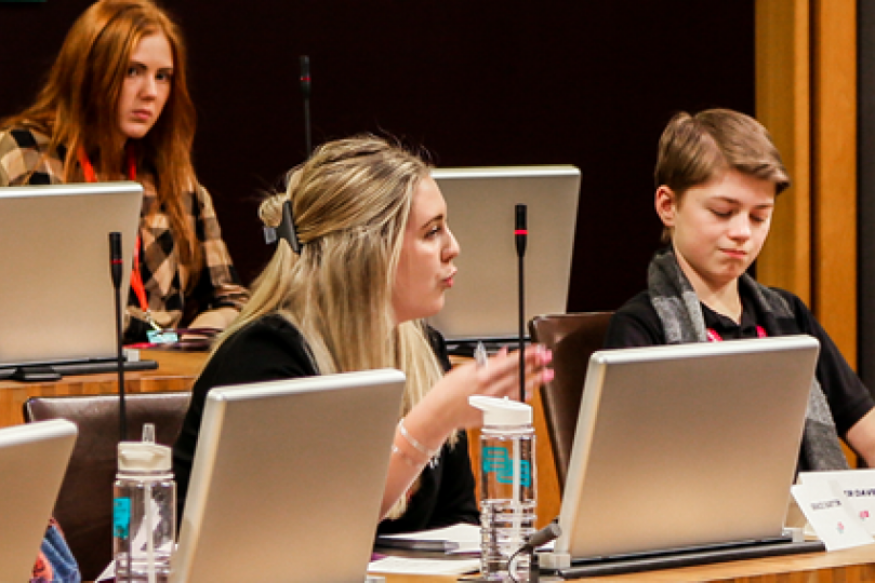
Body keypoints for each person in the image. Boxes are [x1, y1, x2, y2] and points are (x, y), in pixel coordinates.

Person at [172, 135, 553, 532]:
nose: (453, 247)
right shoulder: (263, 359)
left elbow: (457, 521)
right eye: (431, 232)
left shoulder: (424, 348)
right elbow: (308, 535)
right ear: (368, 252)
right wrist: (430, 422)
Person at [604, 108, 875, 471]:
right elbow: (627, 470)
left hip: (802, 508)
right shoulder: (640, 327)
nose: (743, 232)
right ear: (668, 206)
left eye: (759, 216)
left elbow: (868, 432)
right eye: (722, 212)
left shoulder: (788, 315)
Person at [0, 0, 249, 342]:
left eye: (163, 77)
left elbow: (232, 301)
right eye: (133, 71)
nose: (150, 93)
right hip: (57, 360)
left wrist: (191, 337)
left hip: (162, 364)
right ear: (89, 72)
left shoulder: (173, 177)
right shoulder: (26, 154)